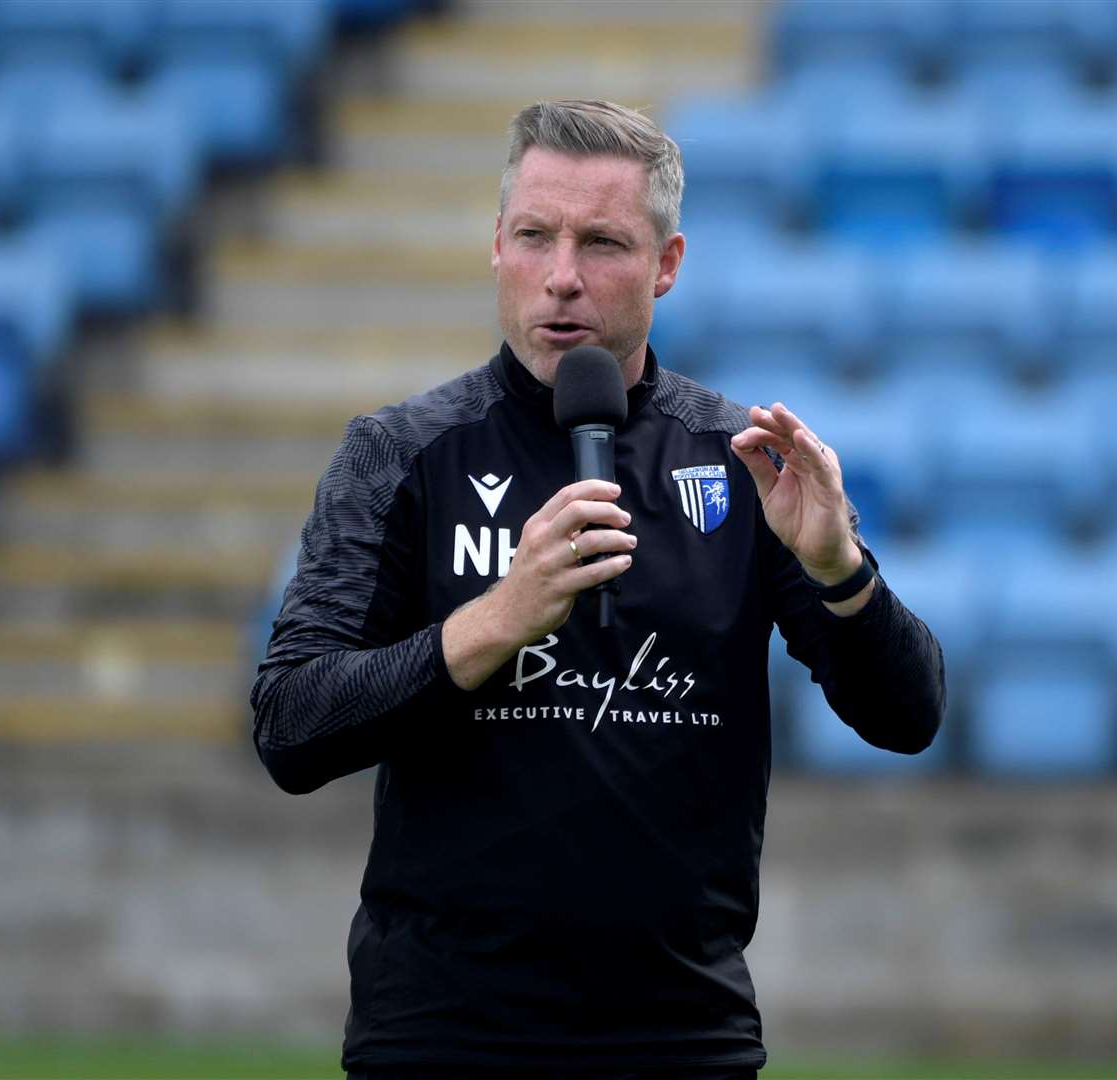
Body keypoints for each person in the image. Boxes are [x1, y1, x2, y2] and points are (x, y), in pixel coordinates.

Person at [251, 99, 945, 1079]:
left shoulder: (740, 462)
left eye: (603, 242)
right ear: (497, 245)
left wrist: (842, 576)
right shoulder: (397, 453)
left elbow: (908, 716)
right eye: (535, 235)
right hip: (442, 1038)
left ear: (666, 265)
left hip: (682, 1038)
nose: (562, 275)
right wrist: (496, 618)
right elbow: (289, 725)